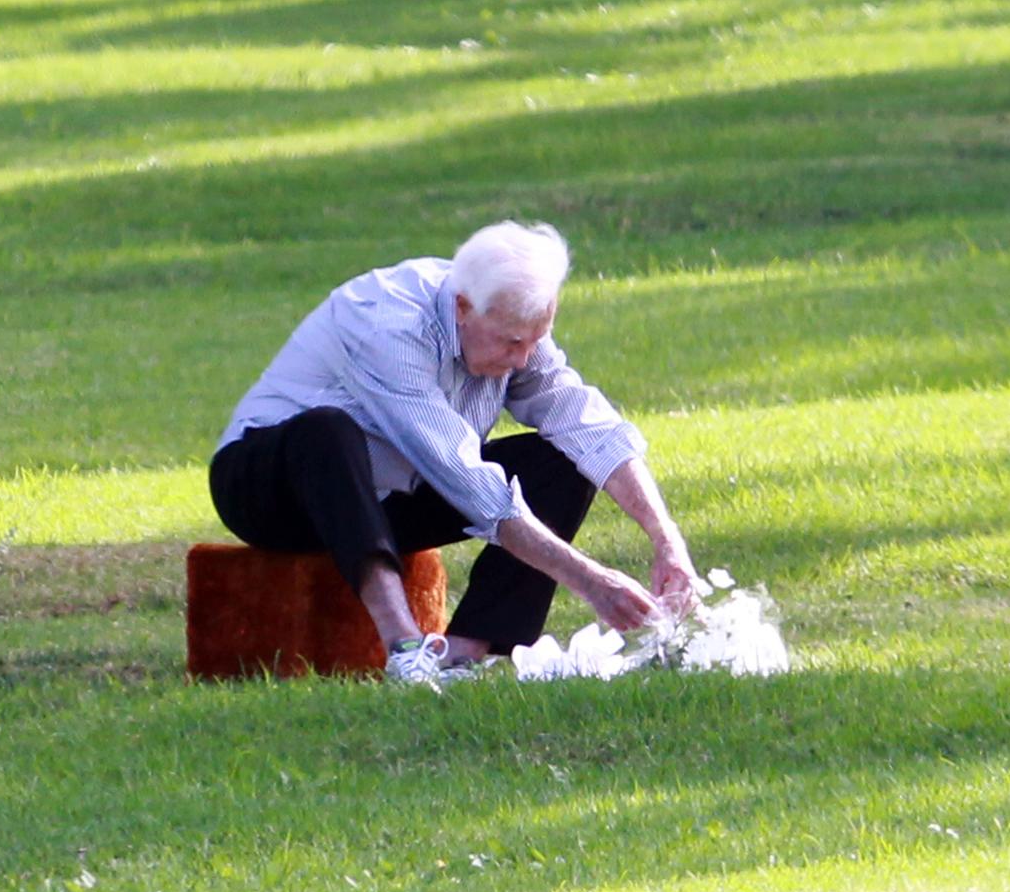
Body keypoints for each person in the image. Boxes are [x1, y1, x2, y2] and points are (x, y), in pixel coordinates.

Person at [209, 220, 699, 686]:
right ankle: (405, 649)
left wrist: (667, 540)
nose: (523, 359)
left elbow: (589, 426)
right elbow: (464, 477)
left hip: (393, 497)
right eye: (512, 343)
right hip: (271, 491)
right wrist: (592, 581)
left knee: (562, 459)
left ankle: (462, 655)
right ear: (463, 308)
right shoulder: (387, 324)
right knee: (328, 431)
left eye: (534, 342)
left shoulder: (509, 319)